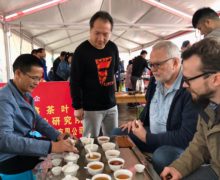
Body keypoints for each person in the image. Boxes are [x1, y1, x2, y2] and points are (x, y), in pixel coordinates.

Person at [111, 41, 198, 174]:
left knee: (162, 157)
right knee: (117, 133)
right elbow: (148, 109)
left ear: (175, 63)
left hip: (174, 142)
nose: (153, 69)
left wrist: (147, 138)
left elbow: (186, 137)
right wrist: (137, 123)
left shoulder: (189, 86)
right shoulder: (155, 81)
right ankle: (128, 170)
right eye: (151, 65)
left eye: (157, 64)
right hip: (152, 134)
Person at [0, 54, 78, 175]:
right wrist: (52, 146)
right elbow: (4, 140)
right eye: (34, 78)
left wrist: (57, 136)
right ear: (18, 73)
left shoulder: (25, 94)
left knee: (60, 151)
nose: (37, 83)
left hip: (23, 144)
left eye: (39, 78)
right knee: (56, 158)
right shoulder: (4, 99)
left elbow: (37, 120)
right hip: (8, 157)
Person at [160, 38, 220, 180]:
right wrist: (178, 168)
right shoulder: (207, 105)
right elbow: (200, 143)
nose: (184, 86)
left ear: (216, 79)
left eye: (188, 80)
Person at [70, 11, 119, 137]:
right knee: (90, 143)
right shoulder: (81, 51)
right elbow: (75, 81)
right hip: (91, 108)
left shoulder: (113, 47)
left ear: (111, 33)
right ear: (90, 30)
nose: (101, 38)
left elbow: (114, 70)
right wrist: (77, 106)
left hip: (111, 105)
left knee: (112, 140)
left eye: (105, 34)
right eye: (97, 33)